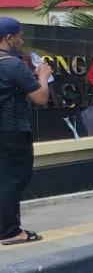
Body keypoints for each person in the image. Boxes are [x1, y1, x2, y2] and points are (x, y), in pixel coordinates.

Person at [0, 17, 51, 245]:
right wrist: (42, 76)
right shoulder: (13, 65)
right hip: (12, 131)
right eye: (19, 36)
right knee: (13, 180)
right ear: (8, 38)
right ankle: (11, 232)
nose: (21, 40)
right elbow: (40, 98)